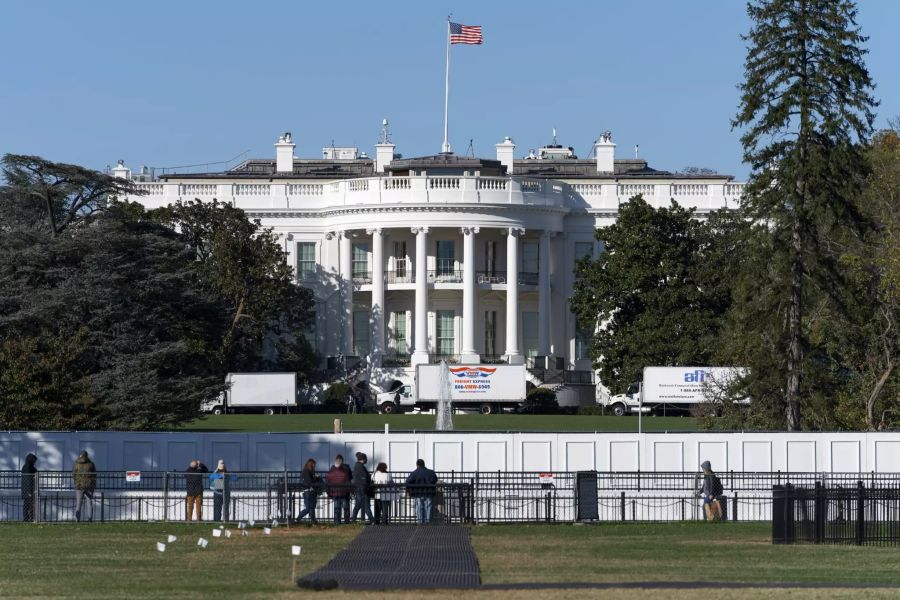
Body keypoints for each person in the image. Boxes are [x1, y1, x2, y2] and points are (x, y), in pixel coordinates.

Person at [405, 459, 438, 524]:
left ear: (417, 465)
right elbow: (435, 480)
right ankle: (428, 522)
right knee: (428, 508)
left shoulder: (414, 473)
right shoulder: (431, 472)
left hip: (418, 493)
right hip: (429, 493)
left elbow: (408, 482)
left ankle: (420, 522)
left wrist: (410, 490)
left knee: (419, 508)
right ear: (424, 464)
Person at [325, 454, 352, 524]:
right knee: (345, 507)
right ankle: (346, 521)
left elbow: (328, 480)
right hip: (344, 490)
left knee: (337, 508)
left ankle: (337, 521)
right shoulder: (346, 467)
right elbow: (349, 478)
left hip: (336, 490)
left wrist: (329, 491)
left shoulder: (333, 468)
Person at [350, 452, 375, 524]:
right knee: (364, 505)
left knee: (359, 505)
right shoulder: (360, 467)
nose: (366, 460)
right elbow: (364, 478)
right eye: (365, 459)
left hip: (360, 488)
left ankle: (354, 520)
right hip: (362, 489)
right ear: (363, 459)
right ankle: (371, 520)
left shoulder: (358, 466)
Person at [72, 450, 97, 522]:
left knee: (78, 503)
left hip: (79, 486)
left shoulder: (76, 464)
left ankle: (77, 520)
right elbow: (94, 474)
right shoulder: (91, 464)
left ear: (80, 455)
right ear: (87, 456)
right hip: (89, 485)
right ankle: (90, 519)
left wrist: (77, 481)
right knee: (89, 502)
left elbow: (73, 474)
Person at [296, 459, 321, 525]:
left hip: (311, 491)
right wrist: (316, 478)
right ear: (311, 464)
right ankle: (298, 518)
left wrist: (316, 477)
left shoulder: (310, 471)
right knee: (308, 508)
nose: (314, 466)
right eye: (313, 464)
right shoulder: (306, 471)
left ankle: (314, 522)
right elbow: (309, 481)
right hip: (308, 491)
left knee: (312, 507)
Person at [21, 453, 38, 522]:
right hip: (28, 490)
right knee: (28, 505)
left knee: (27, 505)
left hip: (27, 489)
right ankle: (28, 519)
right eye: (34, 461)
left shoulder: (26, 466)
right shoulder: (28, 468)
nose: (34, 462)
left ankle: (27, 518)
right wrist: (29, 492)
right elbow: (28, 480)